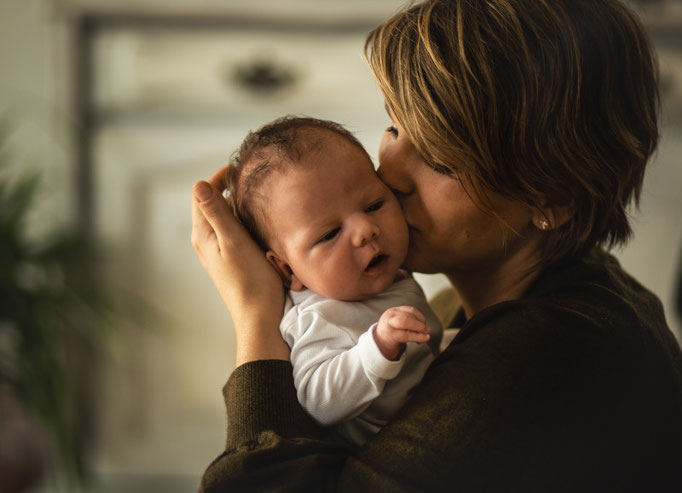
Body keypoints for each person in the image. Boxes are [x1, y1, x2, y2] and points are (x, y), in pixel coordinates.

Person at [190, 0, 682, 491]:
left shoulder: (548, 354)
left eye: (442, 159)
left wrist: (256, 312)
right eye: (394, 127)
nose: (391, 175)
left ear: (552, 196)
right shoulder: (463, 305)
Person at [223, 116, 443, 446]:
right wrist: (377, 346)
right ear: (288, 271)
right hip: (380, 453)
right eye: (330, 233)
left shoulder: (384, 281)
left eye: (374, 205)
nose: (365, 230)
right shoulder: (318, 316)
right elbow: (319, 401)